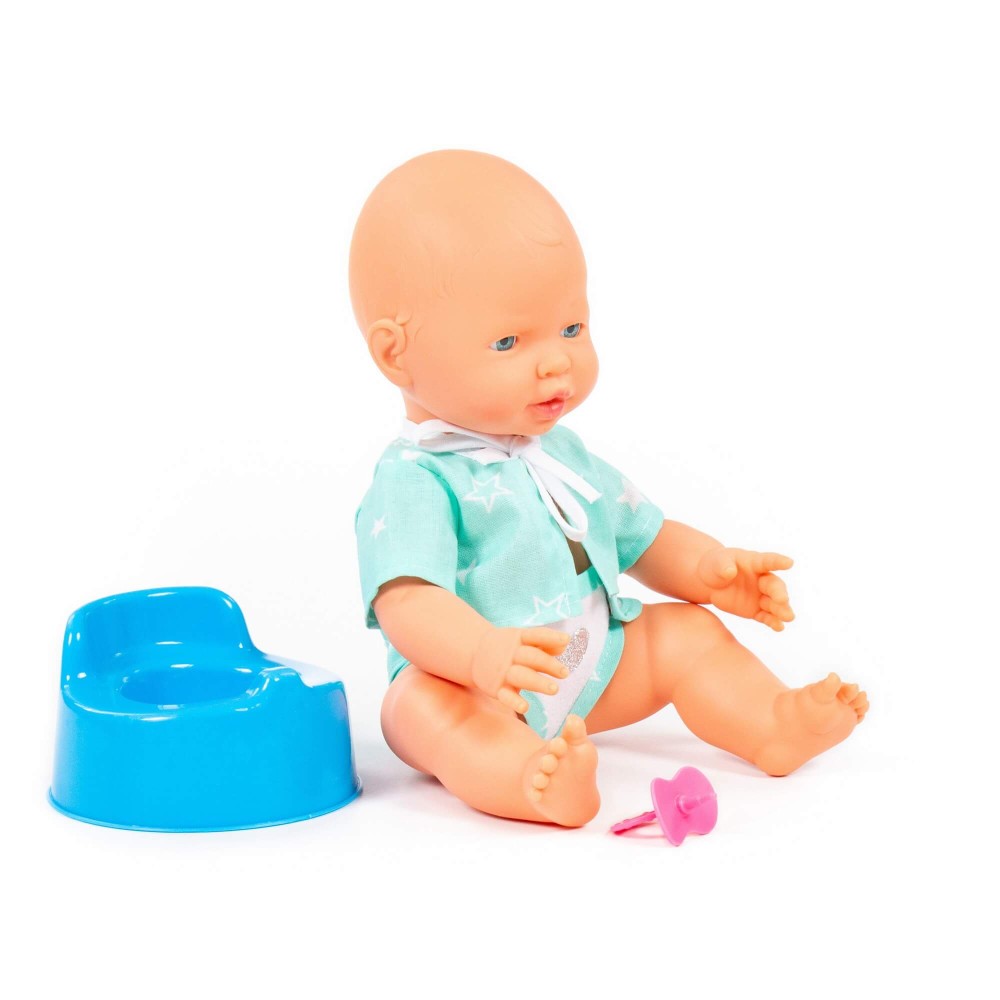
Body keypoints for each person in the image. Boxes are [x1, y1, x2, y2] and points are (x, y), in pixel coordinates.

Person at [350, 150, 868, 827]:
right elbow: (408, 601)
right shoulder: (416, 478)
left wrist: (709, 571)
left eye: (571, 328)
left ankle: (769, 723)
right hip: (476, 689)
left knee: (688, 634)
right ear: (395, 354)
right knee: (420, 710)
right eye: (508, 342)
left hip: (592, 662)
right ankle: (526, 780)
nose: (556, 360)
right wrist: (480, 654)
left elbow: (643, 537)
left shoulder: (560, 454)